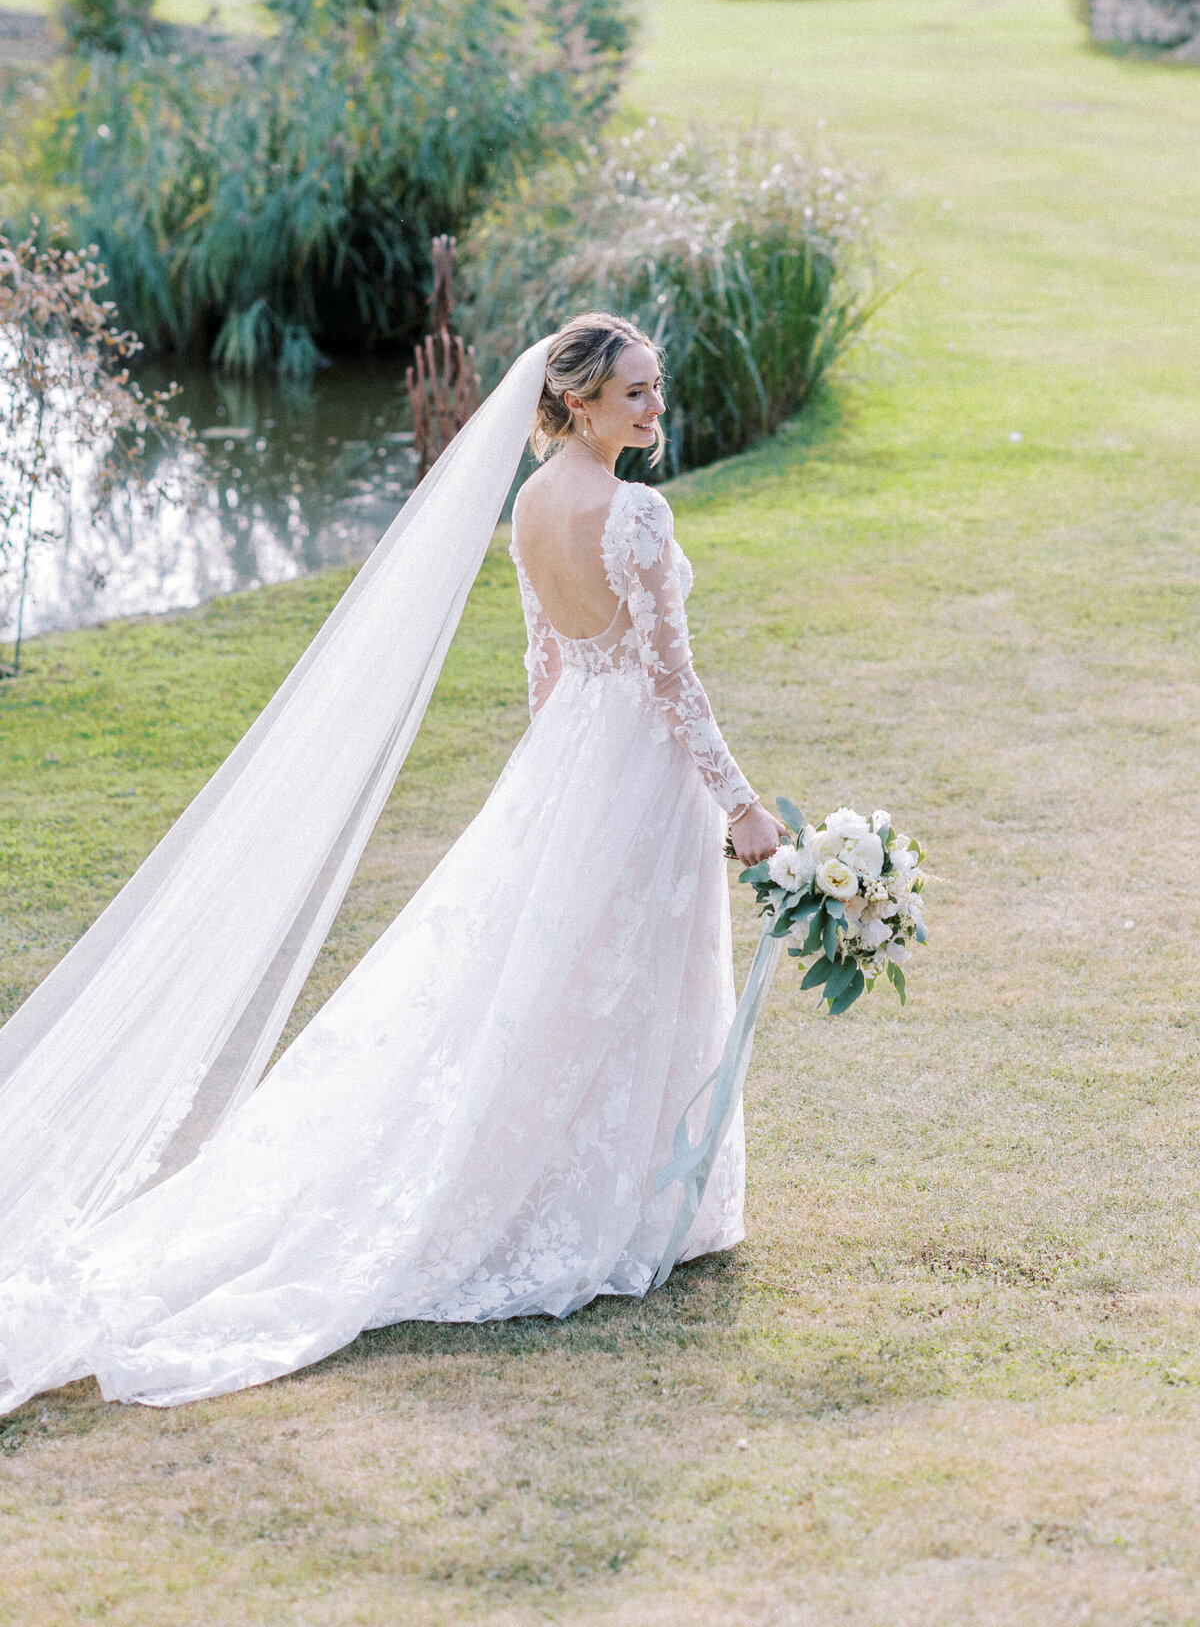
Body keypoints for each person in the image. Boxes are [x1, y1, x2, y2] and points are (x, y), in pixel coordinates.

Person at [0, 313, 782, 1414]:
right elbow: (674, 683)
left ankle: (599, 1182)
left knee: (565, 984)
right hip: (637, 773)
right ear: (583, 403)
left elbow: (546, 664)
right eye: (638, 394)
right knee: (626, 976)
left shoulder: (531, 505)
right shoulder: (636, 513)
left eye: (656, 388)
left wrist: (550, 788)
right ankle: (625, 1204)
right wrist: (740, 804)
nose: (656, 409)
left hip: (569, 767)